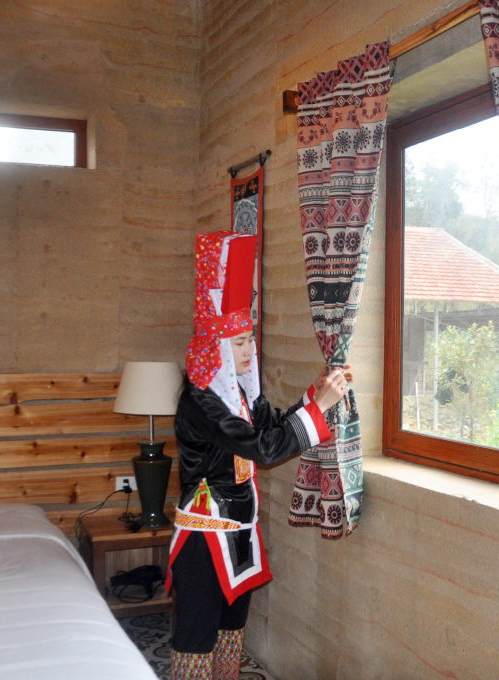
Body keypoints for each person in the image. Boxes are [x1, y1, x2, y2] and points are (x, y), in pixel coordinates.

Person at [167, 230, 350, 680]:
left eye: (251, 340)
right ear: (217, 348)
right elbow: (263, 448)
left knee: (232, 633)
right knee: (195, 641)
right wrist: (319, 409)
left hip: (240, 531)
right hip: (204, 538)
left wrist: (314, 399)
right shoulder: (201, 402)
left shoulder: (240, 395)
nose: (251, 350)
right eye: (240, 343)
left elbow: (273, 424)